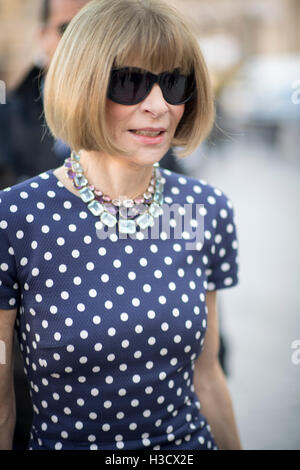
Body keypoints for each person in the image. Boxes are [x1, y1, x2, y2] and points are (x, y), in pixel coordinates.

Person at [0, 0, 241, 451]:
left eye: (174, 83)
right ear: (82, 86)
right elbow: (2, 405)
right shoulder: (14, 218)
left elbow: (207, 376)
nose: (158, 106)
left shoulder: (205, 208)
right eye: (130, 82)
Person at [0, 0, 183, 190]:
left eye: (106, 33)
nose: (91, 46)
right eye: (71, 30)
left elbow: (177, 207)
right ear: (42, 36)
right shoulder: (6, 121)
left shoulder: (148, 113)